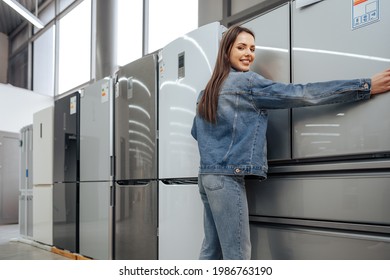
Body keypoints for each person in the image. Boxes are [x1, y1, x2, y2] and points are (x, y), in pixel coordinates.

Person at [190, 25, 390, 260]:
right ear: (226, 52)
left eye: (252, 48)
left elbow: (197, 132)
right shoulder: (247, 83)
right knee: (237, 257)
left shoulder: (206, 92)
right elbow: (303, 94)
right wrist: (364, 86)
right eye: (241, 47)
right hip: (226, 179)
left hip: (206, 178)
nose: (249, 54)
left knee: (211, 251)